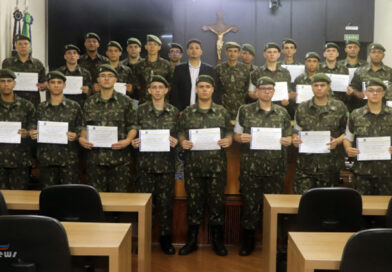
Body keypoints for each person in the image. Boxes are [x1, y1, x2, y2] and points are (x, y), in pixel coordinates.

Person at [234, 76, 292, 256]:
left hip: (275, 168)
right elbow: (236, 135)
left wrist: (288, 140)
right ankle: (248, 242)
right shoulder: (244, 110)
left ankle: (272, 243)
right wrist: (240, 138)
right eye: (263, 89)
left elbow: (290, 137)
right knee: (250, 205)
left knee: (273, 207)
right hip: (251, 168)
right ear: (257, 91)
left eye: (270, 89)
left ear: (274, 92)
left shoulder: (283, 112)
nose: (266, 92)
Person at [178, 75, 233, 256]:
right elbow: (180, 133)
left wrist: (228, 140)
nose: (204, 89)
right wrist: (183, 141)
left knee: (217, 204)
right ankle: (192, 240)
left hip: (217, 167)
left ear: (212, 89)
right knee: (194, 204)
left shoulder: (222, 112)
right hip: (193, 167)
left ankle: (217, 241)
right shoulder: (187, 112)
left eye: (207, 86)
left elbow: (230, 132)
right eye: (200, 86)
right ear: (196, 89)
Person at [131, 75, 179, 255]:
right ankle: (142, 240)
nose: (157, 90)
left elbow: (180, 135)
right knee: (144, 205)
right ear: (149, 90)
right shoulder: (140, 110)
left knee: (166, 205)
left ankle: (165, 240)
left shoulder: (174, 111)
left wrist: (177, 141)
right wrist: (134, 141)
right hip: (144, 166)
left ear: (166, 90)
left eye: (161, 87)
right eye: (154, 87)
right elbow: (134, 131)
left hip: (166, 166)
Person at [79, 64, 137, 192]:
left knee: (119, 200)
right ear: (98, 80)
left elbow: (133, 125)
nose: (106, 79)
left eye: (110, 76)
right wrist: (82, 138)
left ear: (116, 80)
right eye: (103, 76)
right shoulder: (89, 102)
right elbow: (84, 125)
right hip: (95, 158)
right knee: (96, 200)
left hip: (119, 159)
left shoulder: (126, 101)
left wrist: (127, 140)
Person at [292, 73, 348, 194]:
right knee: (302, 203)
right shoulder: (302, 108)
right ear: (311, 87)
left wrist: (337, 141)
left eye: (322, 85)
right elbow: (296, 131)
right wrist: (295, 139)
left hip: (330, 166)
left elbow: (347, 133)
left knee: (327, 206)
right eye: (315, 85)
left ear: (329, 86)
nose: (319, 88)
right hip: (305, 166)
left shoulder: (340, 107)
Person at [29, 71, 83, 187]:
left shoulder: (74, 106)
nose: (56, 85)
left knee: (70, 195)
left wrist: (76, 134)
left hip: (68, 158)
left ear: (64, 85)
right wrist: (32, 132)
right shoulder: (40, 107)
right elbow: (32, 124)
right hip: (46, 158)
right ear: (47, 86)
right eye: (52, 82)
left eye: (59, 82)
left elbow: (81, 126)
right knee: (48, 195)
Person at [344, 78, 392, 195]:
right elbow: (347, 138)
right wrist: (348, 149)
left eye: (378, 90)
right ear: (365, 93)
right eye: (371, 90)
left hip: (387, 172)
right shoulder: (356, 114)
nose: (375, 93)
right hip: (362, 172)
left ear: (384, 93)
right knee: (363, 207)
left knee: (386, 208)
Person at [0, 69, 35, 189]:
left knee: (20, 197)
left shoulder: (27, 105)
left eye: (9, 81)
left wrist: (28, 132)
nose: (6, 84)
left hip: (20, 158)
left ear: (14, 83)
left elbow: (33, 125)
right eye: (2, 81)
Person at [170, 39, 218, 112]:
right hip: (184, 111)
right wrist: (178, 110)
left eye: (197, 48)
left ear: (201, 51)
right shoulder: (179, 69)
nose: (194, 50)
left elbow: (214, 91)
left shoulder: (209, 69)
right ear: (187, 51)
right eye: (191, 48)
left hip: (204, 110)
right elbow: (175, 91)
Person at [2, 34, 46, 107]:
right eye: (20, 44)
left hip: (32, 102)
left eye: (26, 44)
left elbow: (44, 82)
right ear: (16, 47)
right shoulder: (7, 63)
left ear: (30, 46)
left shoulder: (38, 63)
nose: (23, 46)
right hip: (12, 102)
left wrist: (44, 86)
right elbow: (3, 81)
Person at [249, 42, 292, 115]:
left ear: (279, 54)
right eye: (269, 52)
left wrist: (287, 99)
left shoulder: (286, 73)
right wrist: (260, 96)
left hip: (280, 111)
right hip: (261, 111)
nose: (272, 54)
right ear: (265, 55)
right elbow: (250, 92)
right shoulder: (256, 72)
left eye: (275, 52)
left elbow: (289, 91)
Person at [347, 43, 392, 111]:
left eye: (379, 52)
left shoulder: (389, 72)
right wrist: (358, 94)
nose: (376, 55)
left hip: (385, 111)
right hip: (364, 109)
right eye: (373, 52)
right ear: (369, 54)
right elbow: (353, 87)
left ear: (383, 55)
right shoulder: (360, 71)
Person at [215, 42, 250, 120]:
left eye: (235, 51)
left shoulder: (244, 69)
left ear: (239, 53)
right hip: (223, 107)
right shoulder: (219, 68)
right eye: (230, 51)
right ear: (226, 53)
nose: (232, 54)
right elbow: (216, 89)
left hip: (240, 107)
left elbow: (247, 88)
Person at [135, 34, 172, 104]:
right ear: (146, 47)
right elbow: (137, 85)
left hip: (162, 103)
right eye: (150, 44)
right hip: (144, 103)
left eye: (155, 44)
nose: (152, 47)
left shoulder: (166, 65)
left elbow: (170, 85)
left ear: (159, 47)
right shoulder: (139, 65)